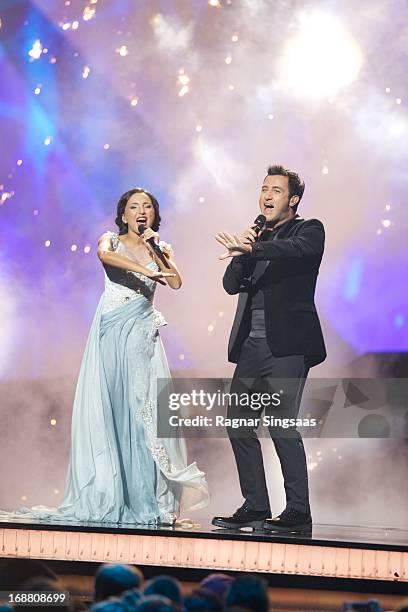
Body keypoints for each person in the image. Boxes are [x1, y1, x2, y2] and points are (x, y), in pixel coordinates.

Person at [1, 188, 208, 525]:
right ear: (123, 214)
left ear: (155, 215)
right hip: (112, 333)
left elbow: (177, 282)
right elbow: (104, 257)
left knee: (145, 415)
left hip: (142, 336)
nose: (141, 211)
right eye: (133, 206)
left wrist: (155, 252)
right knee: (115, 411)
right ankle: (113, 493)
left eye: (147, 207)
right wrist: (142, 267)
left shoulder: (161, 248)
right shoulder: (110, 240)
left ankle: (148, 500)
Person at [213, 165, 326, 533]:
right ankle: (256, 505)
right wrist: (243, 251)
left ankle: (297, 510)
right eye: (264, 189)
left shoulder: (308, 229)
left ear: (292, 199)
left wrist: (255, 246)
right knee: (239, 424)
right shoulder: (255, 235)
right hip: (251, 347)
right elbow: (232, 284)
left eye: (276, 190)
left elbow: (297, 249)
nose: (267, 195)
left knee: (280, 424)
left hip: (288, 345)